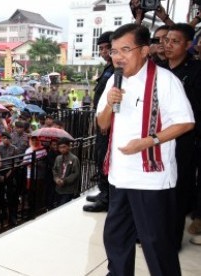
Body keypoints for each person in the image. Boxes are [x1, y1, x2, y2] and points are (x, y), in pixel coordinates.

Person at [98, 23, 194, 276]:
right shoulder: (113, 82)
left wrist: (148, 141)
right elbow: (102, 124)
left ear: (144, 50)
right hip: (120, 175)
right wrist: (109, 104)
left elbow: (186, 122)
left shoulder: (166, 81)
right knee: (116, 238)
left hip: (151, 179)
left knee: (156, 243)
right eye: (115, 51)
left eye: (125, 49)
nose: (118, 56)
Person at [161, 23, 201, 248]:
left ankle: (172, 239)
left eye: (174, 41)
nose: (168, 45)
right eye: (166, 40)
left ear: (188, 45)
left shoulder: (196, 71)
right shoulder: (158, 68)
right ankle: (154, 233)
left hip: (183, 140)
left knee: (178, 189)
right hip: (157, 137)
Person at [83, 31, 114, 213]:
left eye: (106, 48)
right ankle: (103, 192)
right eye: (100, 48)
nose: (103, 52)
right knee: (99, 155)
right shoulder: (108, 68)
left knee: (104, 157)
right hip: (102, 119)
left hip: (107, 122)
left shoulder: (116, 70)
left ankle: (106, 197)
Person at [52, 138, 80, 206]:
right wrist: (56, 179)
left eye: (64, 147)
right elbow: (54, 169)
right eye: (60, 147)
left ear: (69, 146)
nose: (62, 149)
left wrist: (65, 181)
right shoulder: (58, 158)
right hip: (58, 188)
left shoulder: (74, 159)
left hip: (68, 189)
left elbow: (75, 173)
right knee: (58, 206)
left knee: (63, 206)